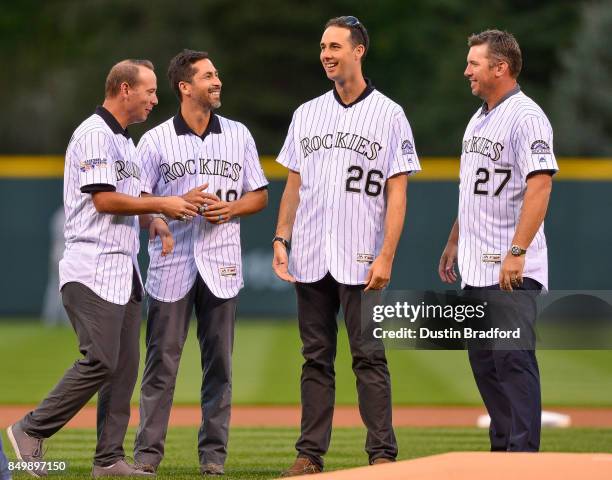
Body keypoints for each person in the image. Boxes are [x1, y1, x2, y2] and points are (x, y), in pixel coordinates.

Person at [6, 59, 201, 478]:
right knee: (101, 360)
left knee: (123, 370)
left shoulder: (126, 144)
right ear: (125, 89)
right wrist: (161, 203)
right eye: (148, 90)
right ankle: (30, 429)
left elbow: (132, 202)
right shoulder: (94, 134)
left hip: (123, 270)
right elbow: (105, 201)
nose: (154, 98)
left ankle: (108, 460)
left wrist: (158, 219)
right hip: (91, 267)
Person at [273, 16, 421, 476]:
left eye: (335, 45)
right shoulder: (306, 113)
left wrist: (387, 254)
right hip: (312, 254)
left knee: (369, 357)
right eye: (322, 46)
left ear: (359, 50)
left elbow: (398, 191)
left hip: (362, 255)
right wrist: (282, 237)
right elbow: (294, 184)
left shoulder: (390, 113)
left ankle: (381, 454)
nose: (326, 54)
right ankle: (309, 455)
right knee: (315, 359)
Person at [133, 49, 268, 476]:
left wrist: (229, 210)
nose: (218, 81)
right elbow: (137, 202)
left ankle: (213, 456)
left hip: (222, 263)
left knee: (221, 366)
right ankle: (147, 456)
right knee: (162, 363)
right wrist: (160, 217)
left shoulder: (239, 135)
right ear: (185, 86)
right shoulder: (154, 141)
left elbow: (259, 195)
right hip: (172, 264)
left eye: (217, 74)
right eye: (209, 76)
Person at [438, 30, 558, 452]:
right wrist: (455, 238)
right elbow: (472, 188)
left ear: (500, 67)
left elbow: (540, 185)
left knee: (512, 359)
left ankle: (523, 458)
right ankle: (502, 451)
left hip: (510, 266)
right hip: (475, 264)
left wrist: (518, 251)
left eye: (474, 63)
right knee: (485, 363)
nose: (467, 70)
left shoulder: (526, 116)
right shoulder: (479, 116)